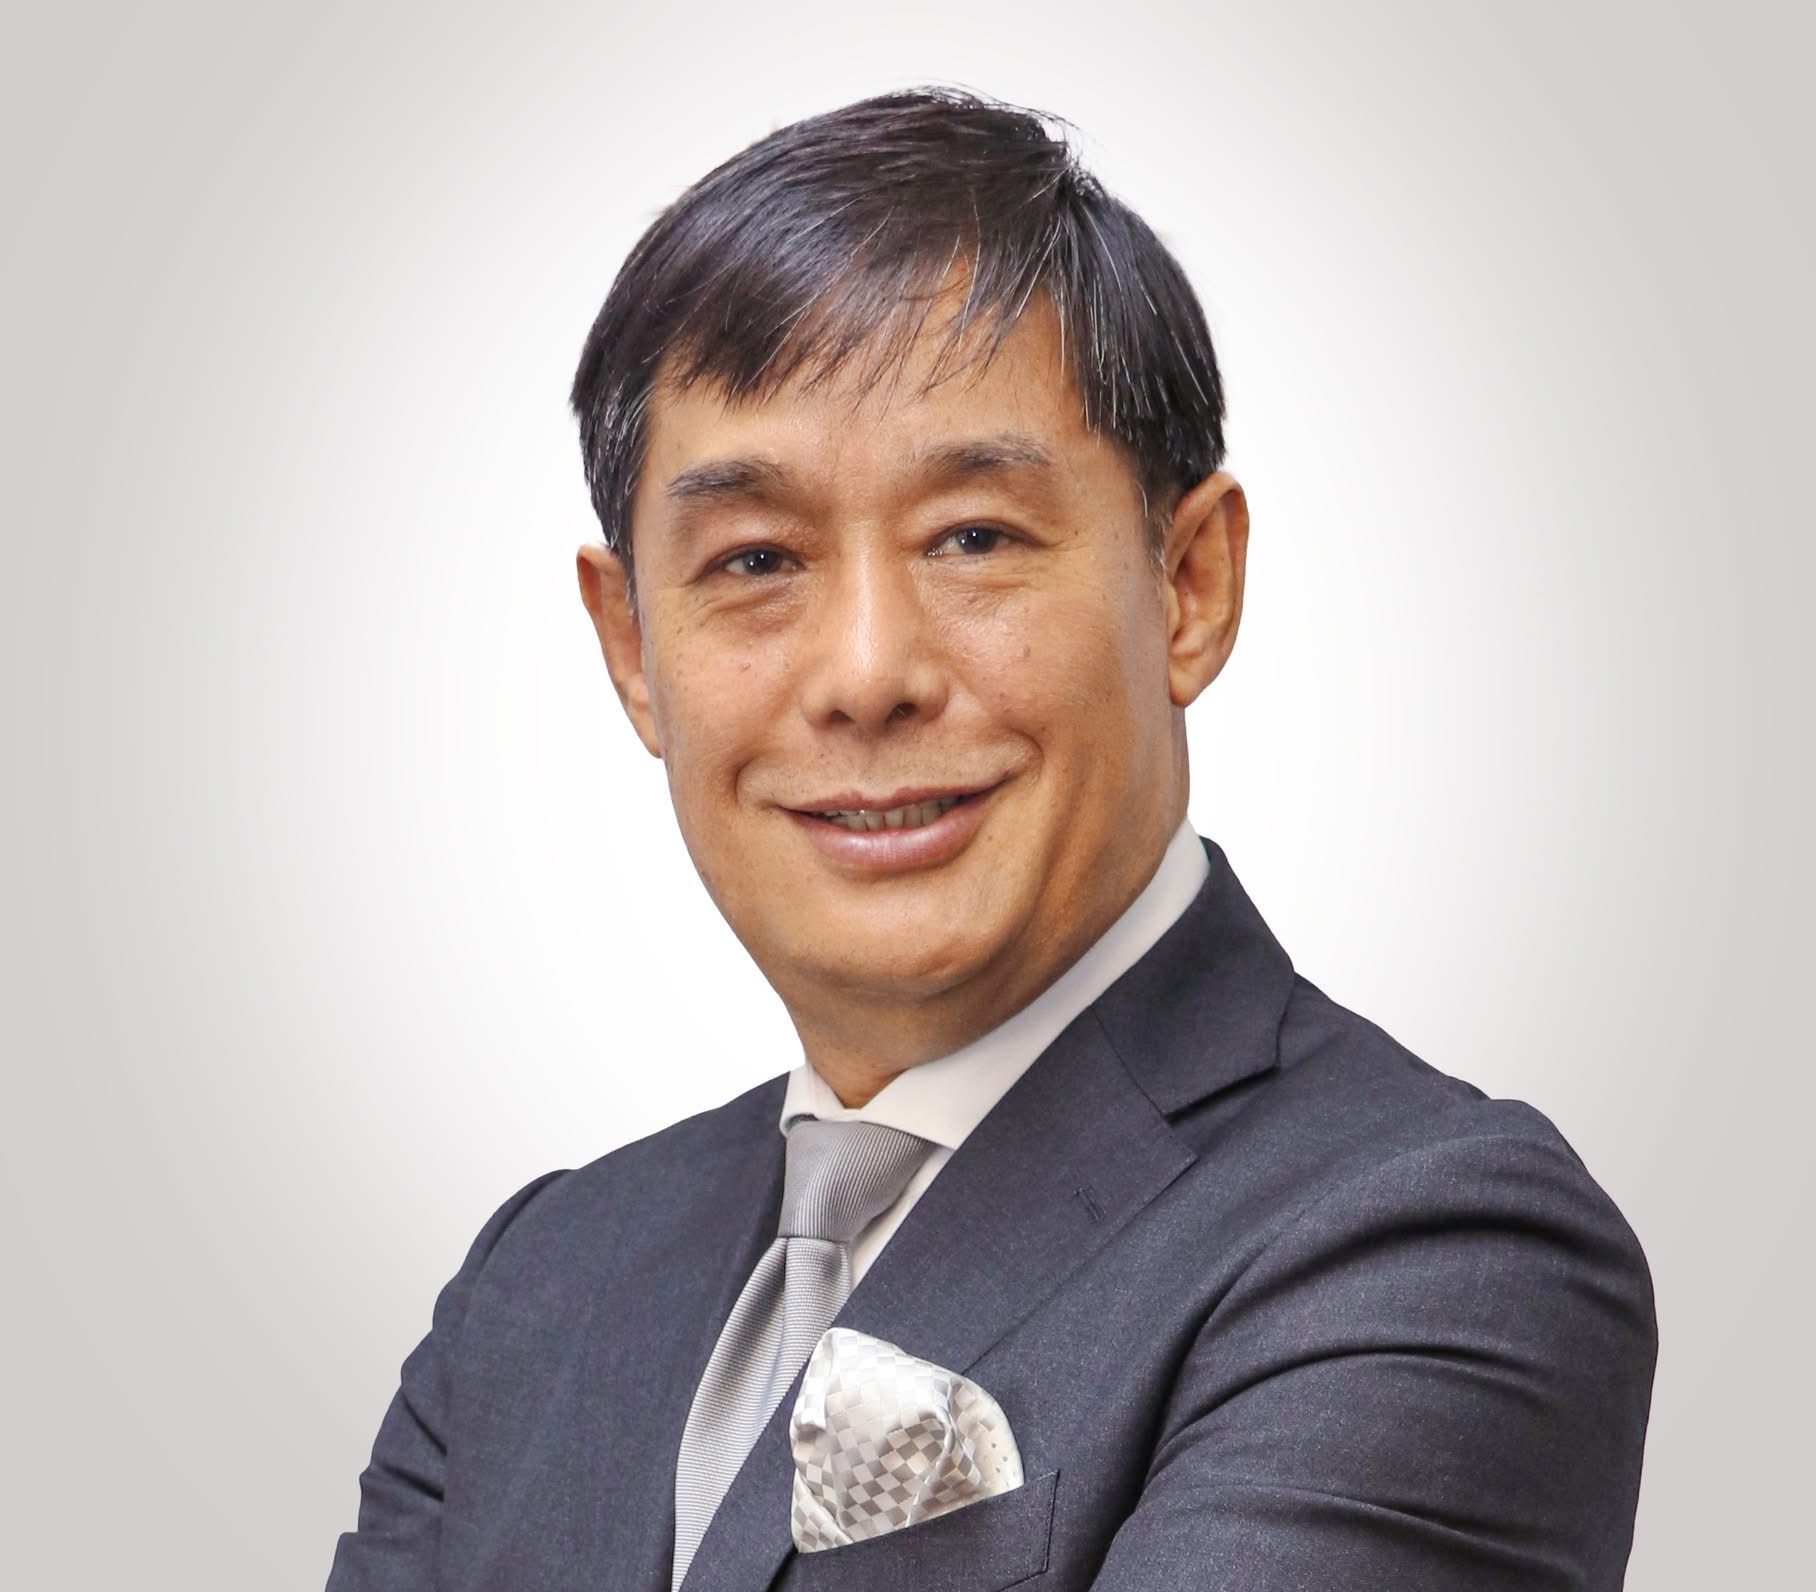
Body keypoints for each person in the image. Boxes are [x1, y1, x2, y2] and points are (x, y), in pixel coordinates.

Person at [326, 87, 1656, 1591]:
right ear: (632, 647)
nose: (867, 672)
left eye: (973, 538)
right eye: (755, 560)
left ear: (1191, 584)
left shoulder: (1428, 1249)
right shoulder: (542, 1284)